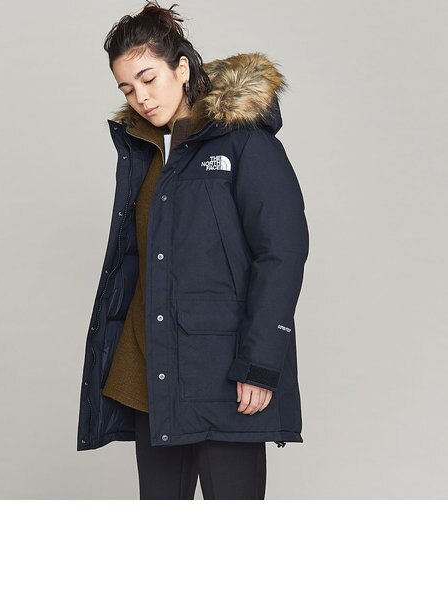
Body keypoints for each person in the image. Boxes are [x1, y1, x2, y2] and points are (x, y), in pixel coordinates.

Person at [76, 1, 310, 500]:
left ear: (181, 69)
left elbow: (282, 252)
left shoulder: (243, 142)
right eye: (126, 88)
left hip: (224, 374)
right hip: (154, 375)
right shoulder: (142, 151)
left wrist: (260, 363)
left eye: (148, 78)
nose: (140, 97)